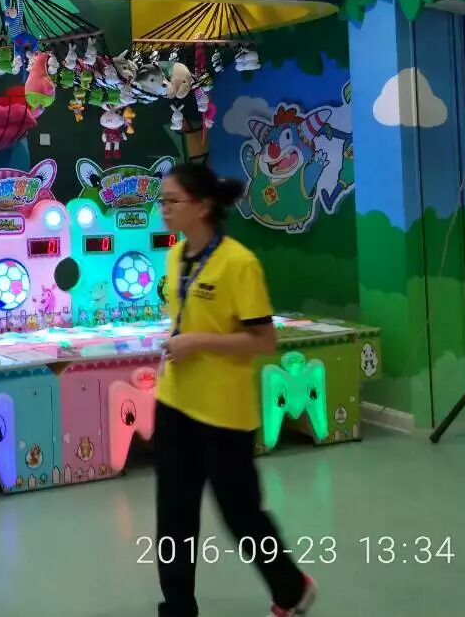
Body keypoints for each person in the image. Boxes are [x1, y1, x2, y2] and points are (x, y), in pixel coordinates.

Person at [154, 163, 316, 617]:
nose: (164, 209)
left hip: (224, 415)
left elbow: (264, 341)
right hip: (175, 403)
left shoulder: (240, 264)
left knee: (241, 515)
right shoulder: (175, 256)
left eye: (173, 201)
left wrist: (198, 342)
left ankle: (291, 588)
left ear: (203, 206)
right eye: (162, 201)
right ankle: (177, 607)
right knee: (173, 516)